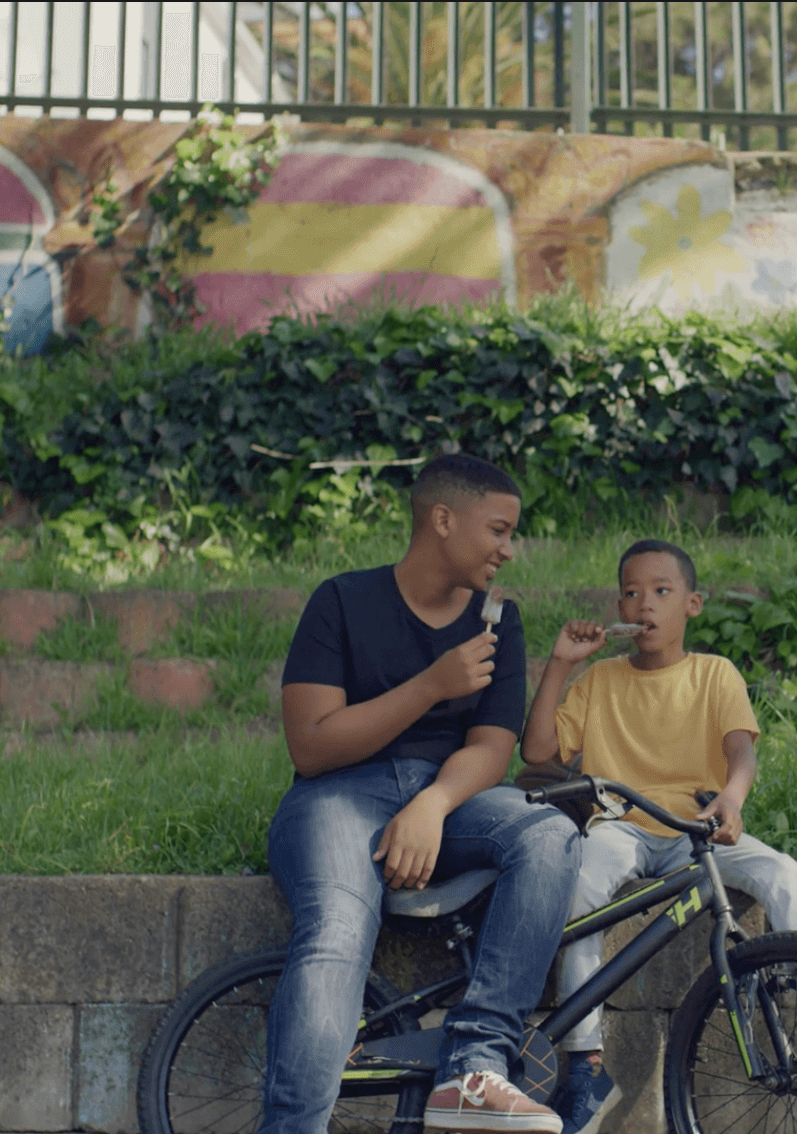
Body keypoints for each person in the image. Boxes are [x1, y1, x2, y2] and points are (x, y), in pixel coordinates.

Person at [520, 538, 797, 1134]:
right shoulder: (601, 681)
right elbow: (536, 752)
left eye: (662, 592)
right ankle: (584, 1067)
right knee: (580, 890)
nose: (646, 605)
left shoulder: (715, 674)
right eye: (633, 593)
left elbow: (739, 751)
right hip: (623, 824)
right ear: (619, 604)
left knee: (781, 873)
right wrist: (562, 663)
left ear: (691, 605)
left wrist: (731, 799)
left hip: (699, 826)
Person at [264, 453, 580, 1134]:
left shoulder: (499, 619)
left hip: (452, 799)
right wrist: (432, 685)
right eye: (497, 529)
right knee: (338, 932)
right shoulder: (343, 600)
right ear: (443, 519)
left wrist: (432, 805)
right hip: (336, 799)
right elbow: (312, 745)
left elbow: (494, 747)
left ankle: (474, 1066)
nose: (508, 548)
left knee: (549, 832)